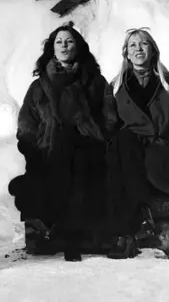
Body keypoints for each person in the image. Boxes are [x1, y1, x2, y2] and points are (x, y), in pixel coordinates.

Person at [8, 23, 119, 262]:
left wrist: (100, 136)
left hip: (88, 146)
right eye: (59, 42)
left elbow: (109, 116)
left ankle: (70, 236)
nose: (64, 46)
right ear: (52, 48)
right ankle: (70, 235)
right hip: (49, 150)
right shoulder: (39, 86)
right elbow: (27, 123)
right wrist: (31, 150)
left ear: (78, 47)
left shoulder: (95, 81)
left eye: (69, 41)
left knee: (76, 159)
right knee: (61, 154)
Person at [105, 28, 169, 260]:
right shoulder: (116, 86)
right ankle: (135, 226)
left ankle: (125, 235)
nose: (138, 49)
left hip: (159, 150)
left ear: (153, 50)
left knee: (131, 161)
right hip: (127, 150)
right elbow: (109, 125)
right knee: (123, 143)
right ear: (126, 53)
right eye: (133, 45)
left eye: (143, 44)